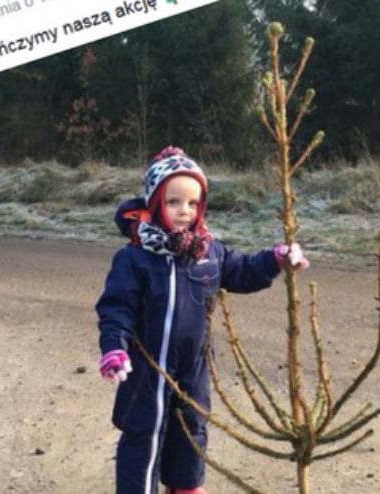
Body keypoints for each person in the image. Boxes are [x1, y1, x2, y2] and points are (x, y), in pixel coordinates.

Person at [96, 146, 308, 494]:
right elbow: (116, 308)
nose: (184, 211)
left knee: (191, 431)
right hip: (148, 372)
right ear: (154, 204)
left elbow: (242, 271)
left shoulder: (209, 252)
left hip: (193, 369)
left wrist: (275, 259)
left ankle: (186, 488)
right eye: (174, 202)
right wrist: (113, 349)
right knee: (143, 438)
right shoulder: (135, 259)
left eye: (193, 203)